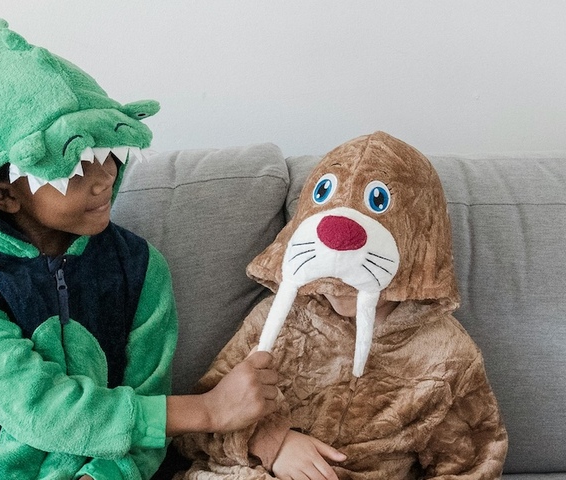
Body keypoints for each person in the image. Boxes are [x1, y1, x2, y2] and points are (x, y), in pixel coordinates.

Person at [0, 19, 279, 480]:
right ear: (5, 195)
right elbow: (39, 409)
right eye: (74, 167)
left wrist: (104, 475)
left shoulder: (139, 266)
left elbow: (146, 398)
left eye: (106, 153)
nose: (104, 177)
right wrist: (208, 411)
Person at [175, 132, 508, 479]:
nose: (340, 285)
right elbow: (199, 424)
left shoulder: (447, 356)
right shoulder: (275, 321)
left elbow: (472, 464)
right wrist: (274, 445)